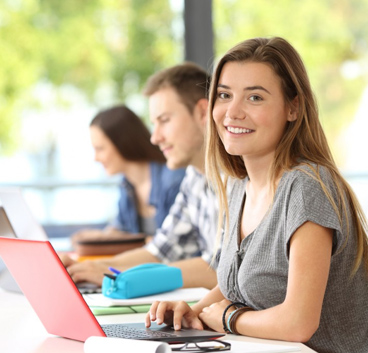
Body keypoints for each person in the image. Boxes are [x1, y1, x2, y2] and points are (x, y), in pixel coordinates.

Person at [146, 37, 368, 353]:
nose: (232, 112)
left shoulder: (307, 187)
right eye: (224, 95)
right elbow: (234, 283)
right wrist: (193, 311)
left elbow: (299, 323)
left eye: (254, 97)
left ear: (293, 108)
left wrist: (229, 318)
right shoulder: (240, 186)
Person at [61, 62, 219, 289]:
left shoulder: (240, 179)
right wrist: (95, 267)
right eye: (154, 124)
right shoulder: (194, 179)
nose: (155, 138)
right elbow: (160, 251)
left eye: (164, 120)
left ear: (203, 112)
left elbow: (224, 270)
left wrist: (117, 274)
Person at [70, 105, 185, 248]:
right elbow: (121, 229)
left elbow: (173, 246)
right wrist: (98, 237)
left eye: (100, 149)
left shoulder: (174, 180)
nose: (96, 158)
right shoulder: (127, 185)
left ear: (122, 143)